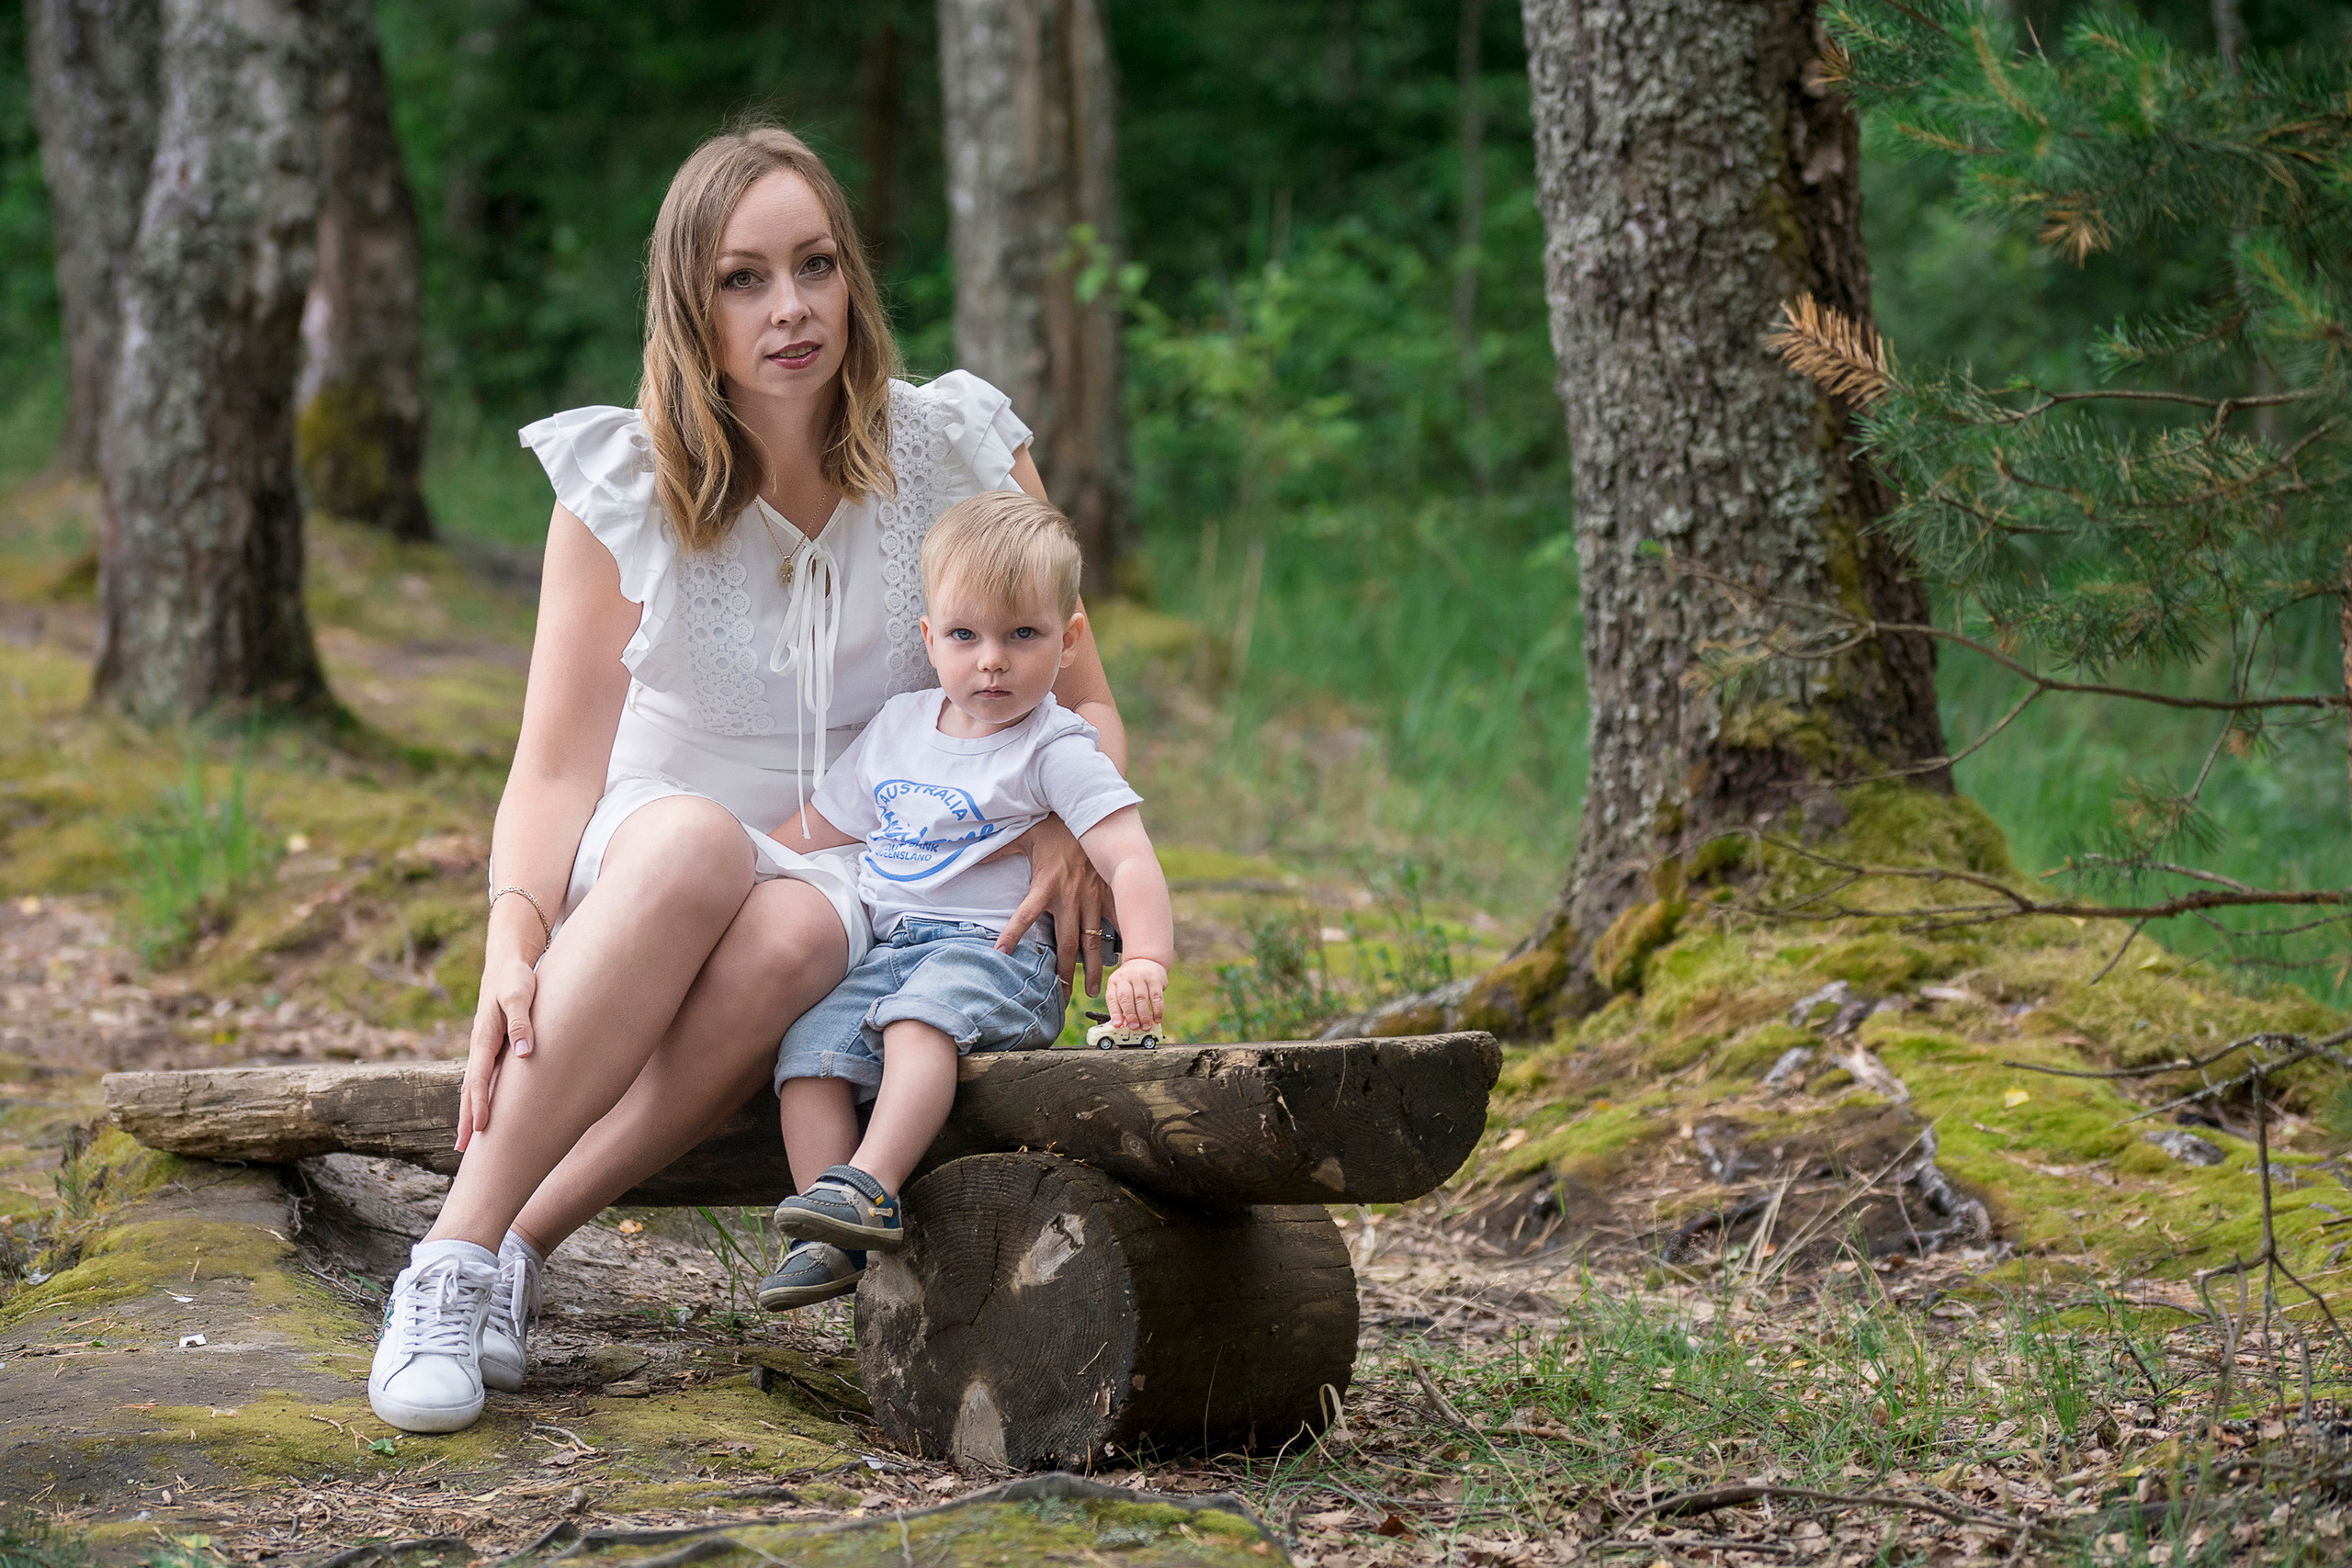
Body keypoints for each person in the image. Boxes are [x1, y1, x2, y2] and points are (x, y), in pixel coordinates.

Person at [366, 125, 1129, 1435]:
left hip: (854, 866)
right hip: (655, 847)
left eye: (817, 266)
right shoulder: (625, 480)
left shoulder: (952, 448)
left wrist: (1068, 813)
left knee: (787, 921)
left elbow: (1087, 695)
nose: (792, 309)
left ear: (852, 280)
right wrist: (513, 936)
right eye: (745, 278)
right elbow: (553, 765)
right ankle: (448, 1255)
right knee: (703, 850)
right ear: (688, 302)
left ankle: (519, 1246)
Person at [747, 493, 1173, 1309]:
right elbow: (821, 824)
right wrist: (740, 858)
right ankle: (827, 1234)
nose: (992, 662)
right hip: (891, 949)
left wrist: (1147, 954)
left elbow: (1129, 855)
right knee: (808, 1051)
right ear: (928, 638)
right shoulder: (901, 725)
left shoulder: (1054, 745)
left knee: (918, 1019)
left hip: (998, 957)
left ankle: (870, 1181)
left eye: (1023, 635)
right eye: (965, 636)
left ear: (1068, 639)